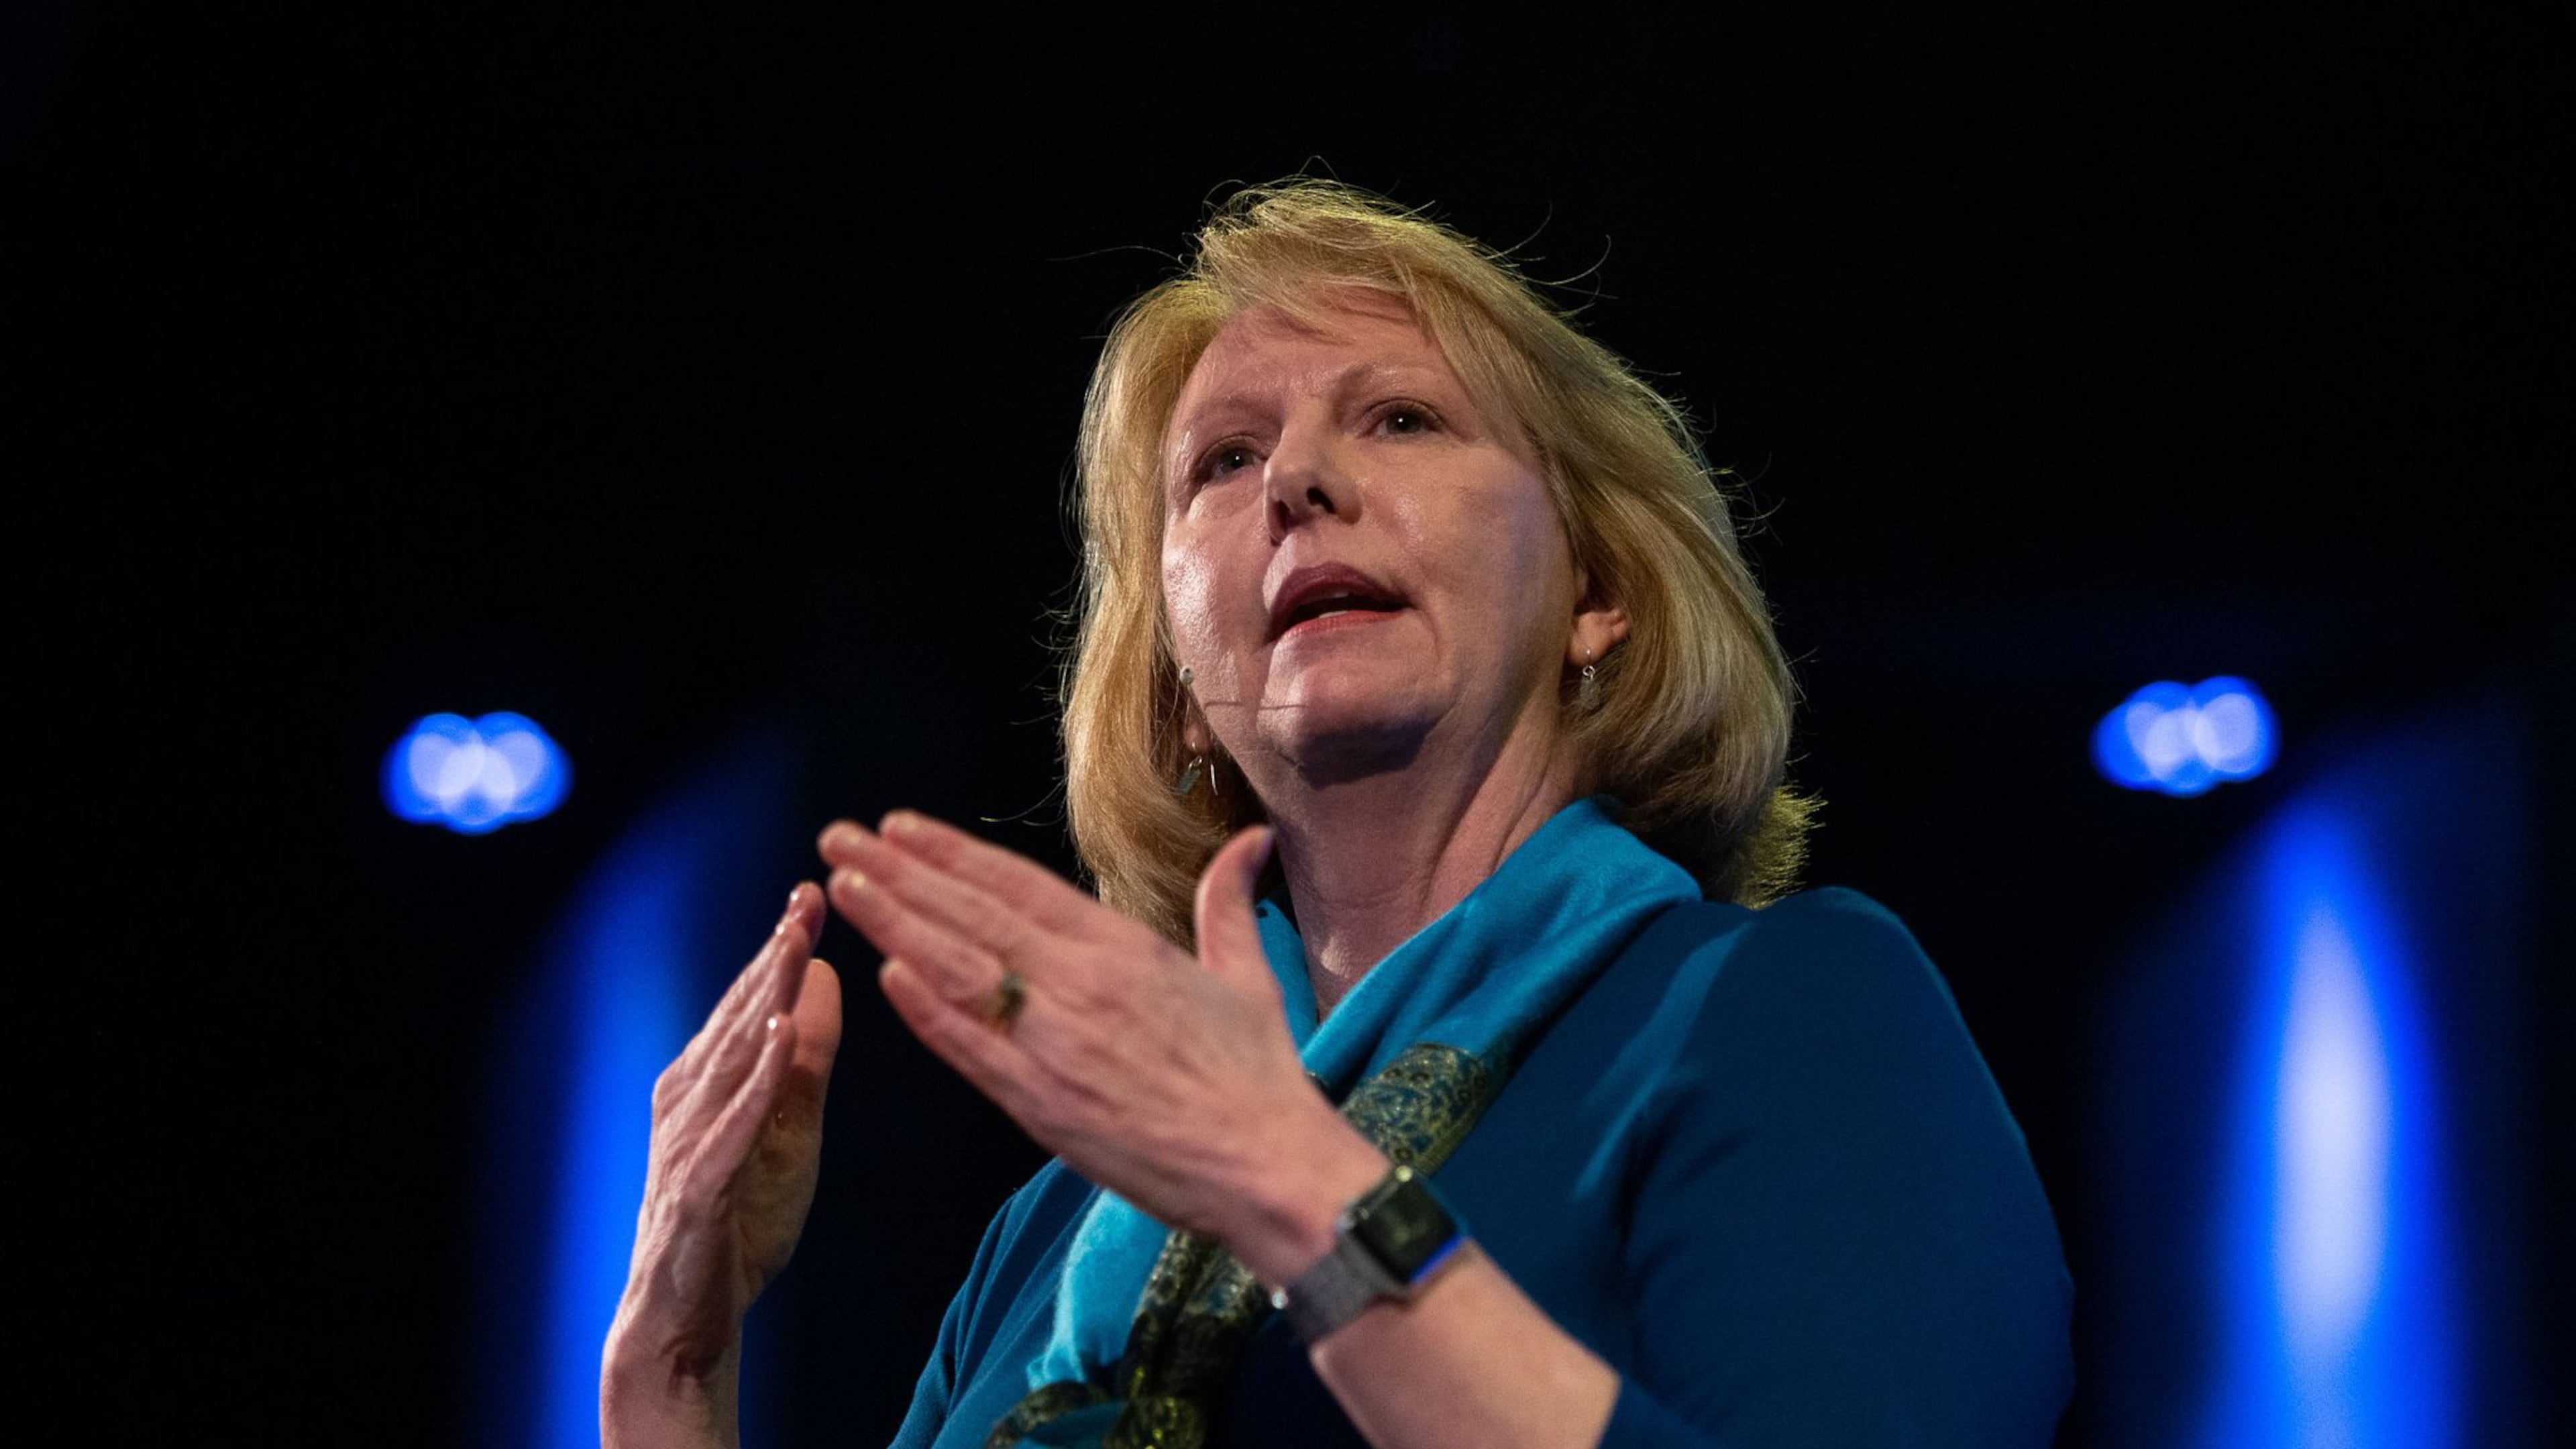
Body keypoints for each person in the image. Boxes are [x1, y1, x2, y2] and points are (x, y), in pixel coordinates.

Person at [601, 181, 2074, 1449]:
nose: (1298, 480)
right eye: (1223, 463)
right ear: (1180, 686)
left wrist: (1296, 1186)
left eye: (1403, 418)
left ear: (1599, 594)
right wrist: (671, 1374)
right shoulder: (1057, 1229)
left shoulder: (1784, 1014)